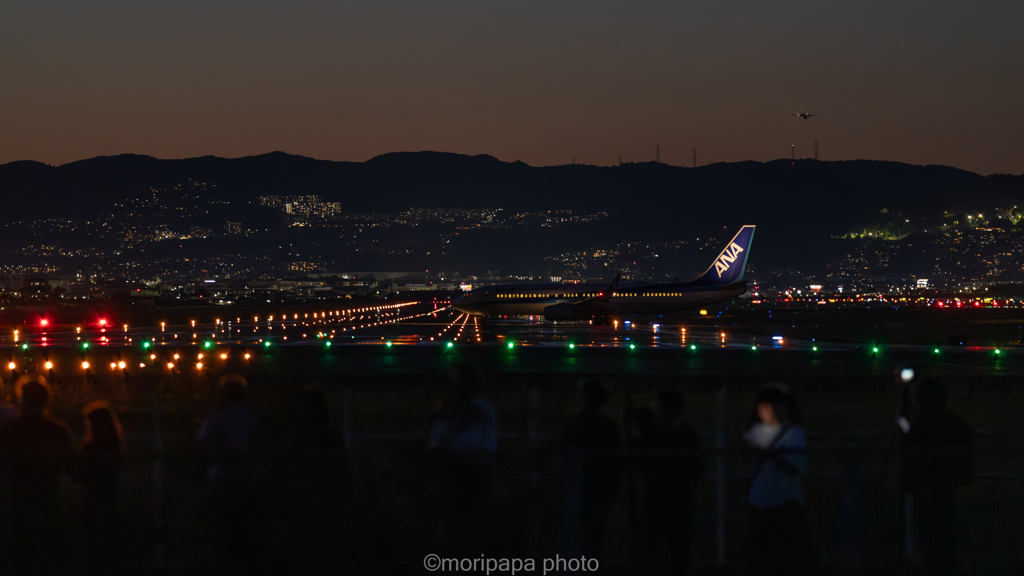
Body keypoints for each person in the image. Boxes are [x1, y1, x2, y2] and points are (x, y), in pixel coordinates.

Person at [0, 376, 76, 576]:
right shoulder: (57, 430)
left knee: (21, 549)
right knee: (47, 546)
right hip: (49, 495)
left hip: (19, 495)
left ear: (22, 399)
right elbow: (70, 465)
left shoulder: (11, 430)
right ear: (46, 400)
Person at [901, 379, 973, 576]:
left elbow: (907, 458)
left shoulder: (919, 426)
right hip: (945, 494)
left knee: (928, 544)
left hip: (930, 496)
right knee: (944, 546)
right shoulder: (954, 425)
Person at [743, 385, 812, 576]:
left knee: (777, 561)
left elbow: (793, 468)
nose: (763, 412)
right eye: (761, 408)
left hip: (778, 512)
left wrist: (768, 456)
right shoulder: (768, 431)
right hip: (766, 510)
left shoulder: (793, 433)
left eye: (767, 407)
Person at [635, 388, 703, 576]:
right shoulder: (688, 433)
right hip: (680, 499)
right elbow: (698, 468)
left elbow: (640, 460)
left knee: (654, 548)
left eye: (656, 405)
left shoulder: (653, 434)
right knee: (677, 549)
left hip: (657, 499)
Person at [561, 380, 621, 561]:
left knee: (574, 535)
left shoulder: (576, 423)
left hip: (576, 488)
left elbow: (563, 451)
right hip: (599, 489)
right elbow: (615, 460)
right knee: (595, 537)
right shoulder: (608, 426)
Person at [76, 400, 126, 576]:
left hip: (92, 497)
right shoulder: (115, 448)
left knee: (91, 535)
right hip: (111, 495)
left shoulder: (89, 449)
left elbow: (80, 474)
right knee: (110, 532)